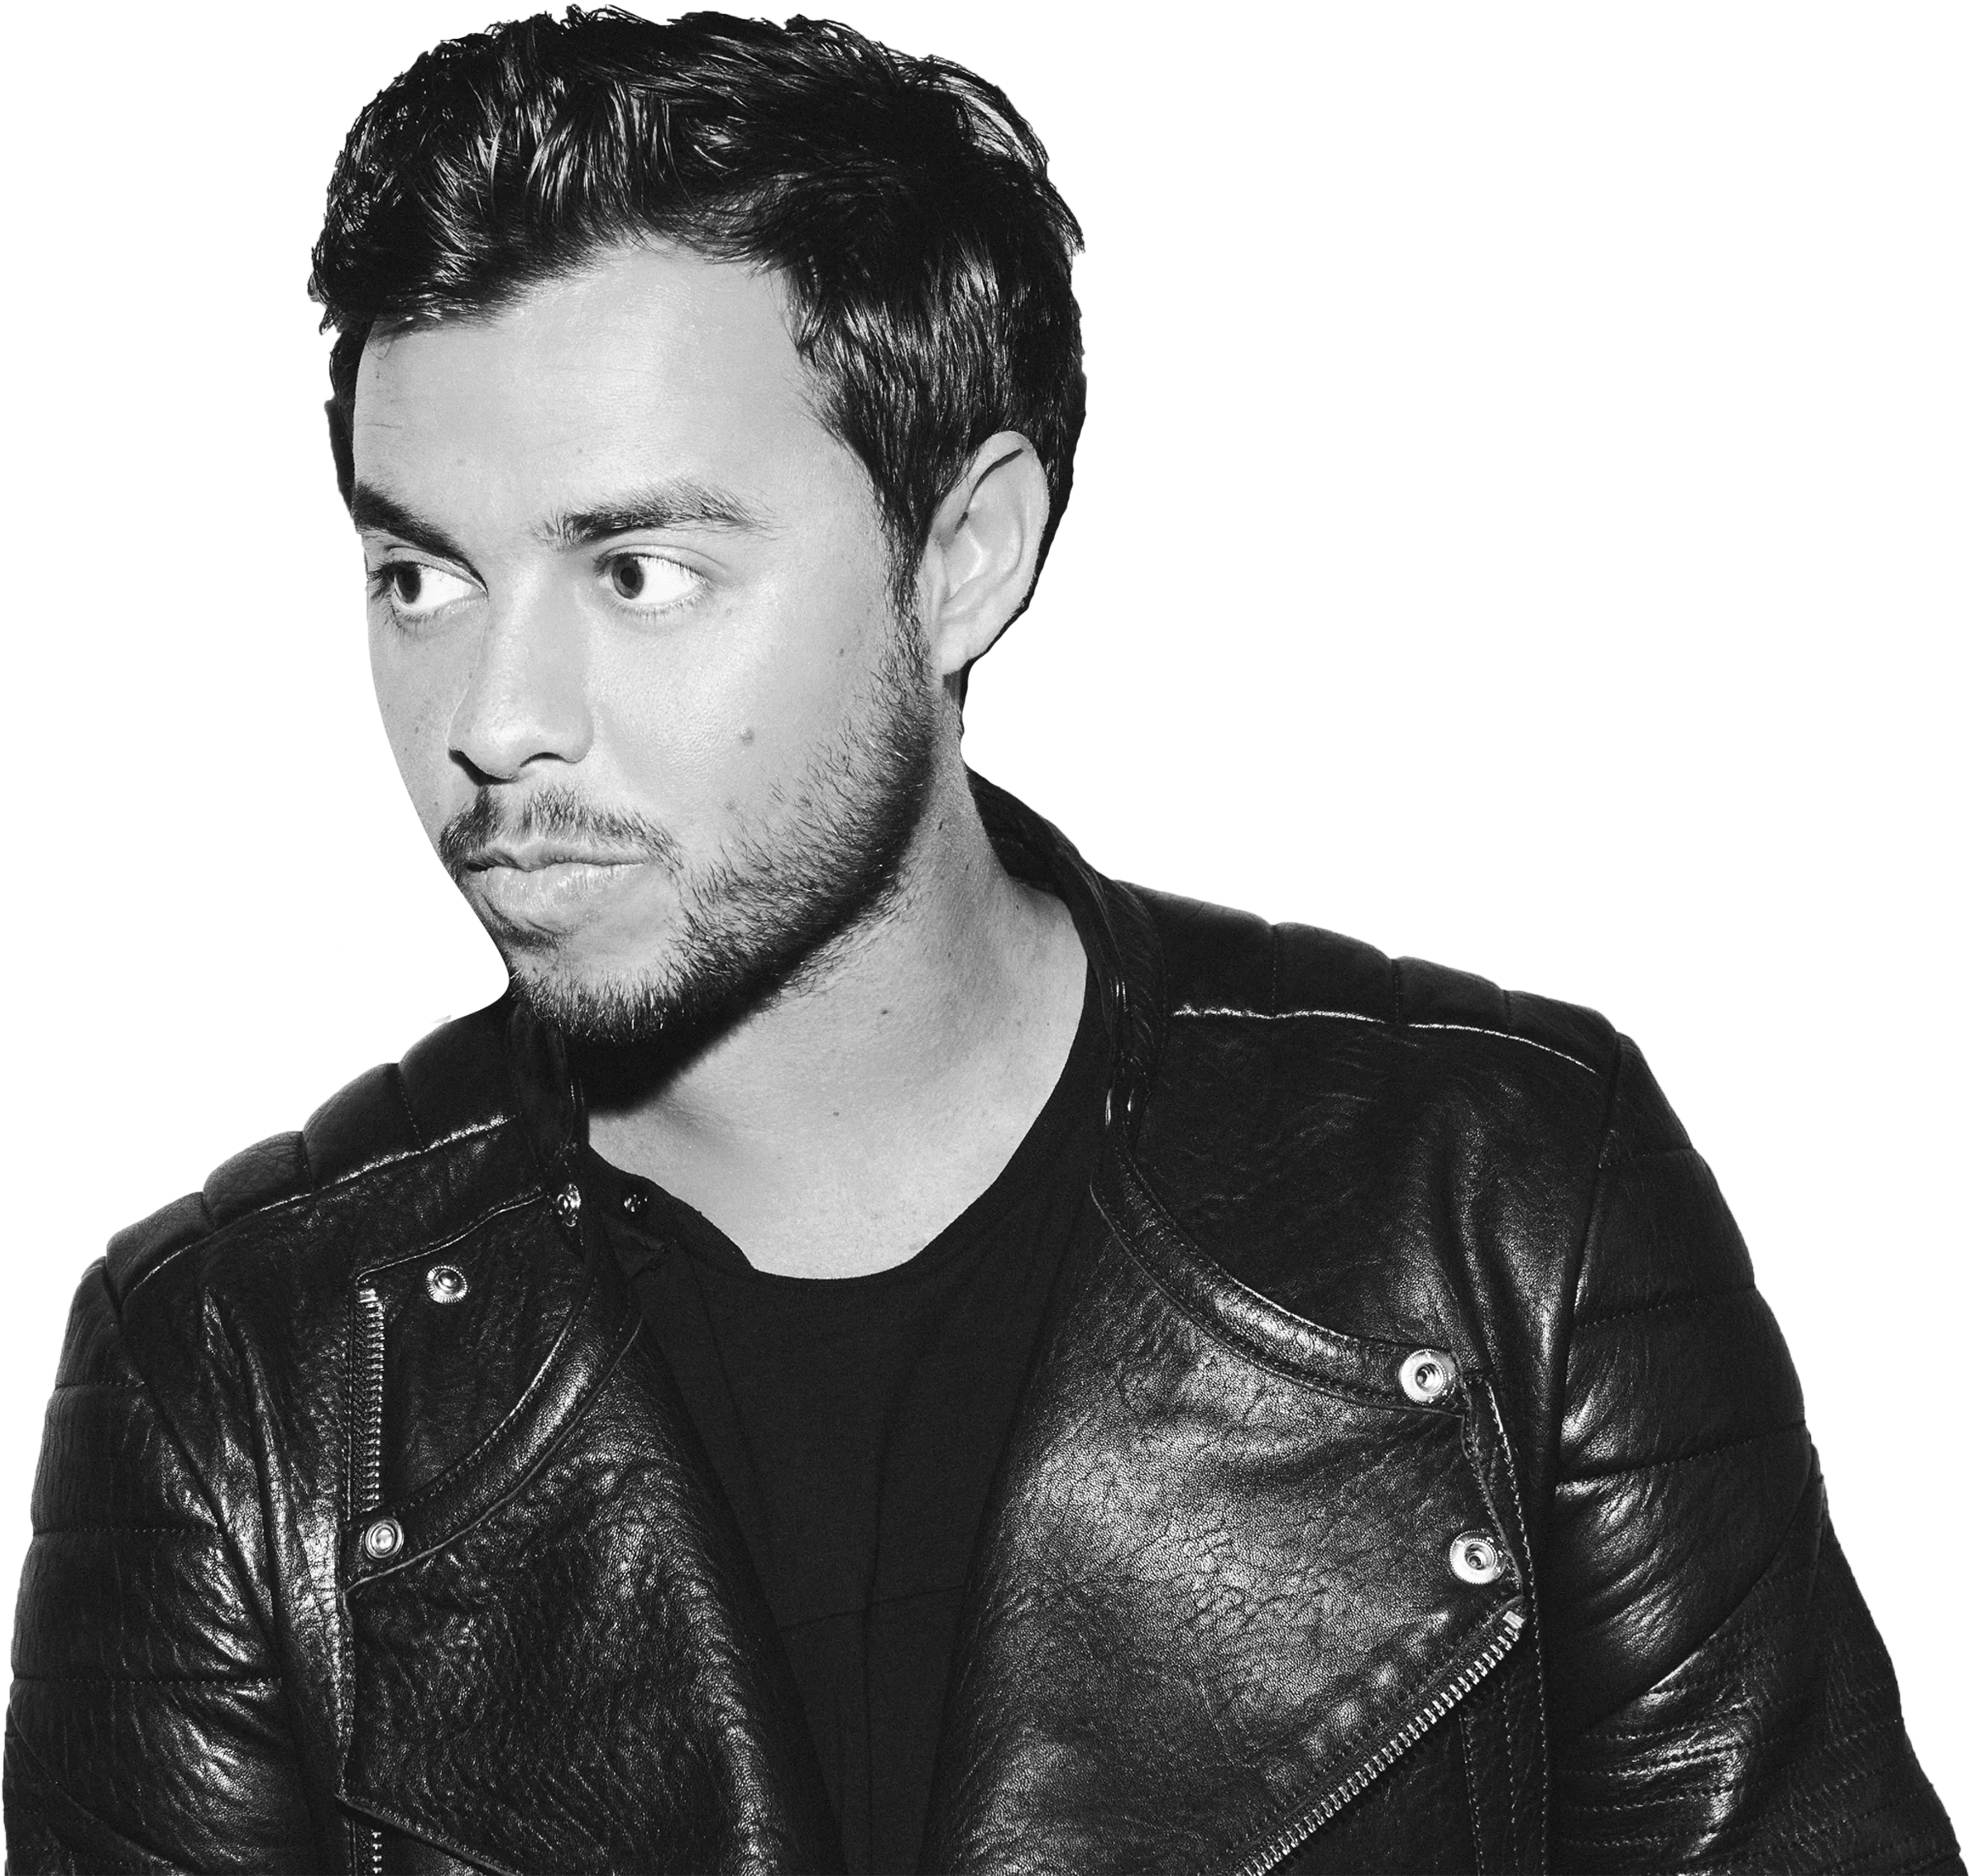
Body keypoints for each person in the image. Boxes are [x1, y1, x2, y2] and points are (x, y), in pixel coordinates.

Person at [3, 7, 1957, 1873]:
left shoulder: (1500, 1210)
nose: (495, 718)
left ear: (962, 560)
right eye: (420, 575)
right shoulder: (239, 1383)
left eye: (638, 570)